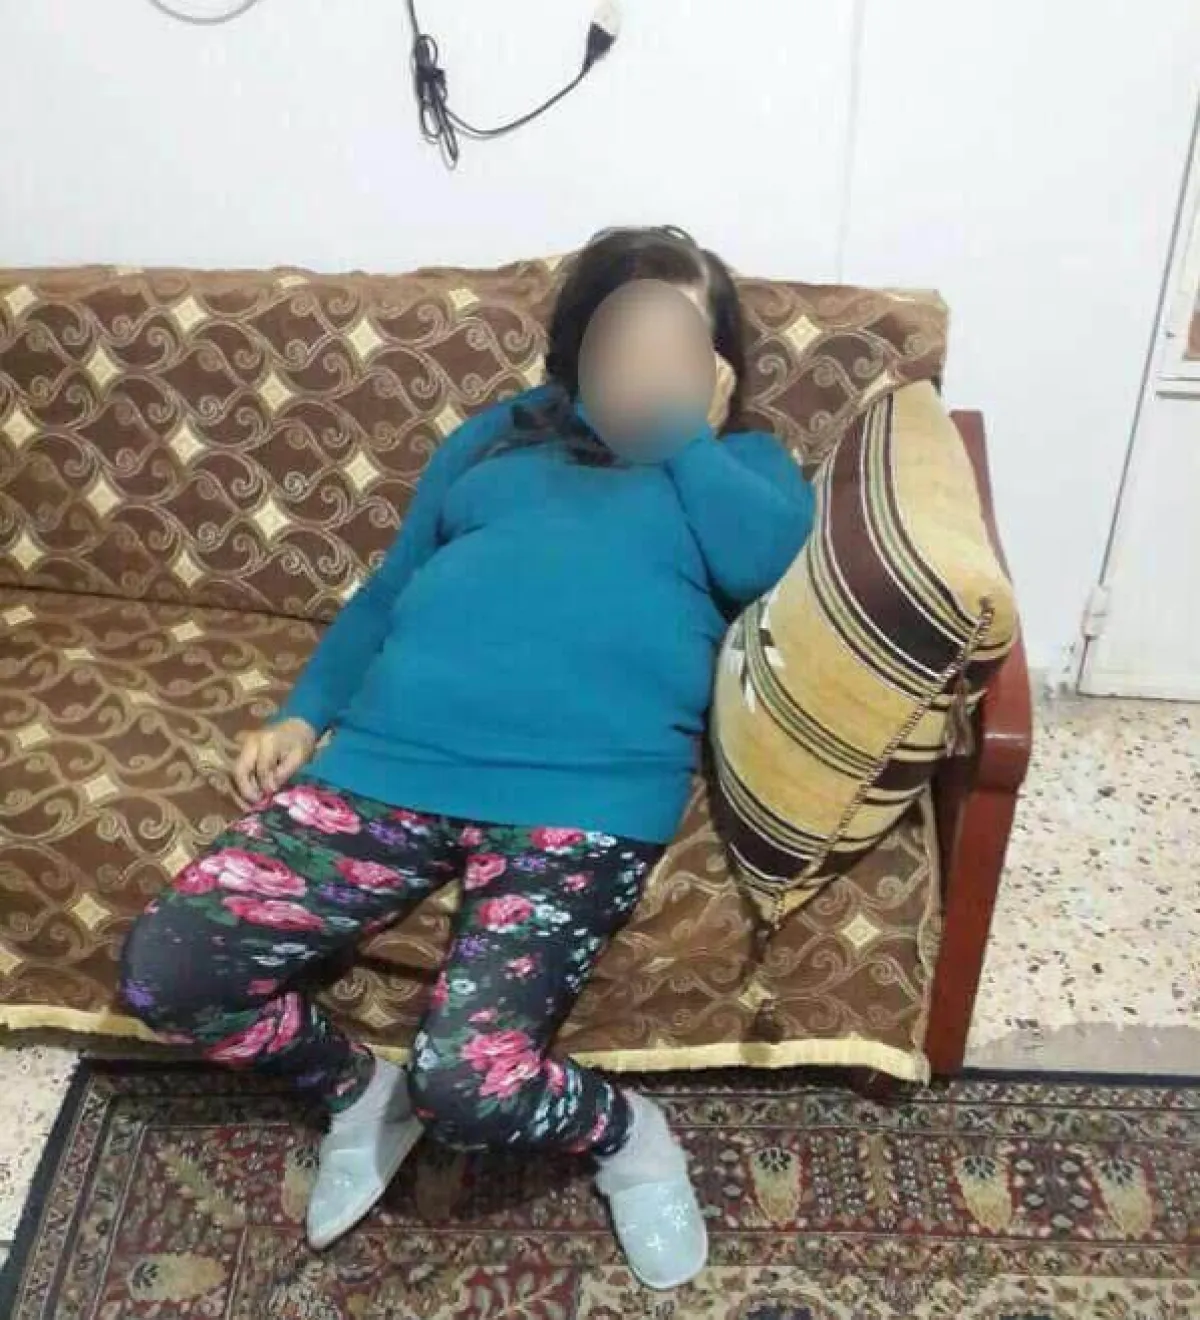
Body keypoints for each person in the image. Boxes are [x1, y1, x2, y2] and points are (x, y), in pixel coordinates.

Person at [119, 226, 815, 1290]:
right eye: (625, 341)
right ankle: (359, 1095)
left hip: (583, 797)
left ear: (718, 364)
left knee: (470, 1089)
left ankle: (628, 1134)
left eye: (679, 342)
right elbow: (394, 586)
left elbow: (766, 565)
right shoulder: (501, 436)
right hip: (388, 765)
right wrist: (304, 714)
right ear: (582, 345)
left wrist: (684, 436)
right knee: (169, 969)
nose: (646, 363)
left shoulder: (741, 468)